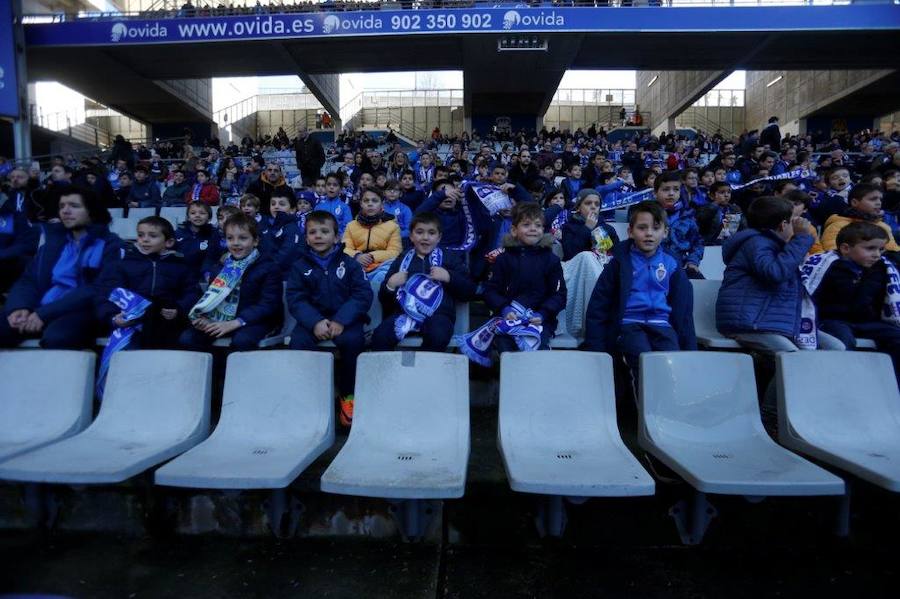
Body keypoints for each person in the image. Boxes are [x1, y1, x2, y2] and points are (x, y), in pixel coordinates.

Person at [582, 201, 696, 379]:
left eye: (655, 228)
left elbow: (684, 310)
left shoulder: (672, 264)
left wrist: (690, 349)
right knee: (643, 364)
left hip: (662, 325)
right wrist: (595, 346)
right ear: (630, 232)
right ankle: (641, 406)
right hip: (629, 324)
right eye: (642, 228)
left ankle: (663, 406)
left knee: (671, 363)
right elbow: (599, 304)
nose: (649, 233)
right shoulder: (619, 263)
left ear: (665, 232)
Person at [716, 196, 843, 352]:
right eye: (792, 221)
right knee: (793, 358)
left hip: (775, 322)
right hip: (751, 323)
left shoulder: (778, 246)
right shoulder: (756, 243)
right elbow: (775, 273)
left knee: (835, 347)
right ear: (783, 225)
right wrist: (801, 239)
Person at [0, 187, 121, 349]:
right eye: (62, 206)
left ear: (91, 211)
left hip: (82, 310)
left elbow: (99, 288)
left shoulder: (110, 245)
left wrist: (45, 313)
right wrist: (19, 307)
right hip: (41, 307)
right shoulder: (52, 245)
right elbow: (28, 280)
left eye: (74, 206)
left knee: (58, 338)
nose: (66, 211)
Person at [286, 211, 373, 427]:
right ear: (306, 238)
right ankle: (311, 398)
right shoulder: (299, 266)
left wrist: (342, 320)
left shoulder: (350, 264)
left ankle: (348, 396)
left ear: (336, 237)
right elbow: (296, 299)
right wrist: (315, 321)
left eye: (324, 232)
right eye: (312, 232)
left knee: (353, 342)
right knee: (299, 343)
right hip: (312, 322)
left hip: (346, 321)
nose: (318, 236)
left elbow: (362, 295)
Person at [811, 222, 900, 387]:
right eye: (870, 248)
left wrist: (871, 277)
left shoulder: (881, 269)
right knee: (842, 343)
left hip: (867, 321)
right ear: (845, 248)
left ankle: (893, 390)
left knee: (897, 336)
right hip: (833, 319)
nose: (877, 255)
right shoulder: (827, 268)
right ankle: (842, 387)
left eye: (881, 250)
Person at [371, 213, 475, 352]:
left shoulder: (450, 258)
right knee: (380, 336)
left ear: (439, 237)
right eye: (419, 232)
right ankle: (393, 373)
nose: (425, 237)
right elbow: (384, 300)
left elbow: (469, 291)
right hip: (404, 314)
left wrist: (449, 277)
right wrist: (390, 285)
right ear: (412, 236)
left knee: (437, 335)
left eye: (431, 233)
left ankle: (423, 372)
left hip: (439, 316)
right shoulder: (402, 259)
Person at [179, 214, 283, 351]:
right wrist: (204, 317)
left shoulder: (268, 267)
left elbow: (269, 304)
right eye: (230, 238)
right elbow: (212, 298)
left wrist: (237, 322)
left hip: (256, 320)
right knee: (188, 338)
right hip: (221, 319)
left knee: (242, 340)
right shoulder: (220, 267)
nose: (235, 243)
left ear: (255, 241)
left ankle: (234, 372)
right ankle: (212, 371)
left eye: (243, 238)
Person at [96, 216, 199, 349]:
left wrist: (178, 309)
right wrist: (114, 317)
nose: (145, 239)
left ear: (169, 242)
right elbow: (109, 292)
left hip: (167, 322)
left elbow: (192, 293)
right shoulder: (124, 264)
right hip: (132, 322)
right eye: (140, 235)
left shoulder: (181, 266)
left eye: (152, 236)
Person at [483, 202, 567, 352]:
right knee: (505, 345)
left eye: (538, 225)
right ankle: (509, 375)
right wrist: (504, 309)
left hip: (540, 321)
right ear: (514, 230)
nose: (533, 229)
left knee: (538, 346)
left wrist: (543, 313)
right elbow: (491, 291)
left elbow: (559, 295)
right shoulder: (503, 259)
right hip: (508, 319)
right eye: (527, 225)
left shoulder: (551, 260)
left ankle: (536, 376)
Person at [342, 188, 402, 286]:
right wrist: (357, 256)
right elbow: (344, 248)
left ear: (382, 204)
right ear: (361, 204)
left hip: (380, 267)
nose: (370, 204)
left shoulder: (393, 226)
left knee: (386, 272)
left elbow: (395, 252)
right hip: (356, 266)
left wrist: (372, 257)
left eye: (374, 201)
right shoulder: (351, 225)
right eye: (366, 201)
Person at [653, 171, 704, 279]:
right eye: (666, 189)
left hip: (681, 266)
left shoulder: (688, 216)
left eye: (676, 189)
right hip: (652, 266)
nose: (671, 193)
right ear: (655, 193)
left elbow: (697, 243)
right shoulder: (648, 214)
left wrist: (692, 262)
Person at [820, 183, 900, 252]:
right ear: (854, 202)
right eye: (873, 199)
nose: (879, 203)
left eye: (880, 199)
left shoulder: (882, 226)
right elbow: (833, 255)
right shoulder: (838, 226)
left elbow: (893, 251)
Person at [560, 188, 619, 261]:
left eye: (597, 204)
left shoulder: (608, 228)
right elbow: (570, 254)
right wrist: (587, 228)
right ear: (578, 207)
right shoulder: (568, 227)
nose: (593, 207)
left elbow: (617, 255)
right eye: (588, 203)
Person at [174, 201, 223, 280]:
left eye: (202, 213)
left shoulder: (214, 234)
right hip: (181, 274)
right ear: (188, 217)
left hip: (205, 274)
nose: (197, 215)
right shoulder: (178, 233)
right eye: (193, 213)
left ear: (209, 217)